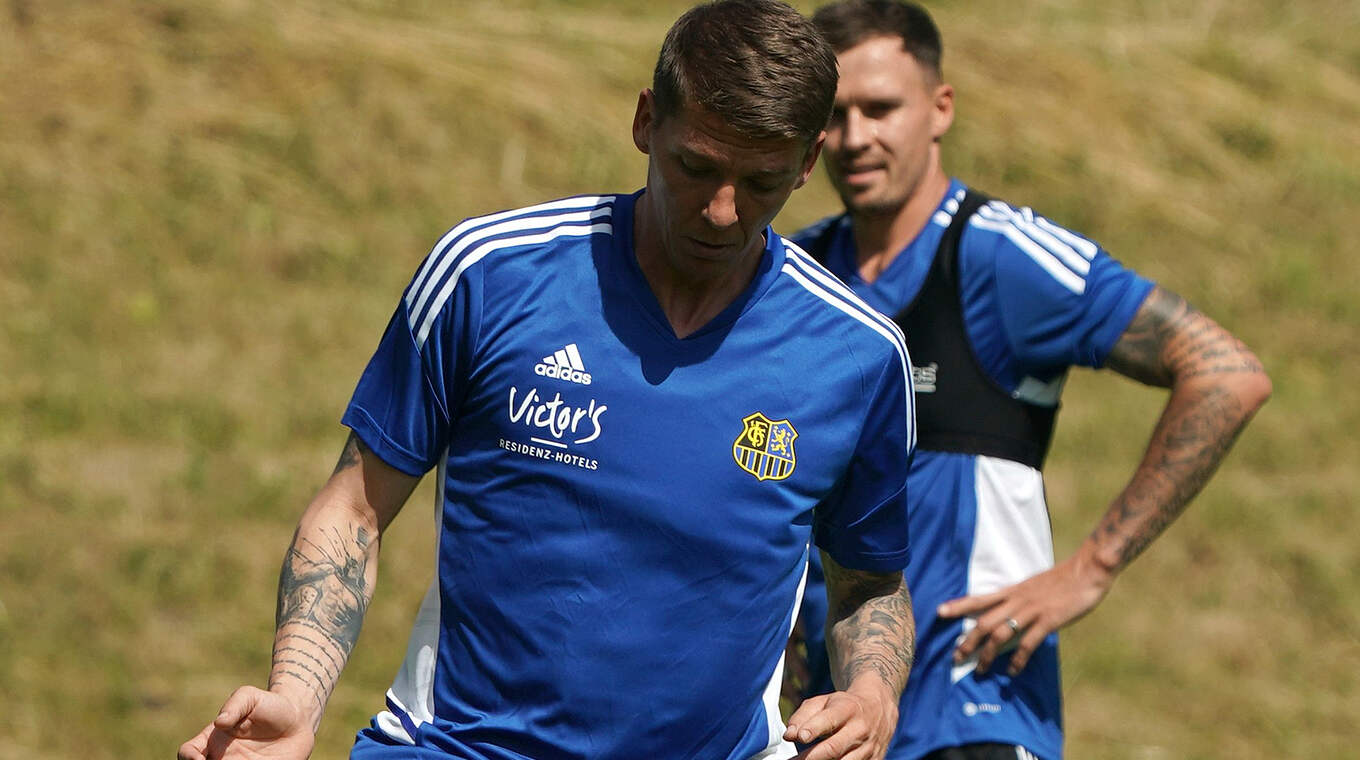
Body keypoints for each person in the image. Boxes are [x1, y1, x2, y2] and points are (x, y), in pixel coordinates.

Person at [178, 2, 920, 759]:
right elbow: (355, 510)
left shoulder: (857, 356)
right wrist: (297, 696)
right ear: (646, 121)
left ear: (808, 161)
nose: (723, 211)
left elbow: (870, 585)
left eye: (761, 182)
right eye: (696, 167)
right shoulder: (490, 275)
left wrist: (873, 692)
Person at [783, 2, 1272, 759]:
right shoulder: (797, 275)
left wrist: (1091, 568)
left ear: (940, 108)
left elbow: (1226, 373)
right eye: (834, 115)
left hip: (977, 712)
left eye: (880, 109)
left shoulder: (1000, 255)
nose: (855, 137)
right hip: (836, 722)